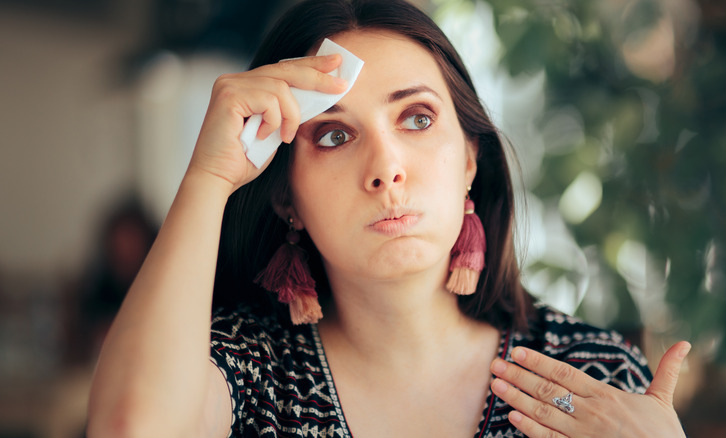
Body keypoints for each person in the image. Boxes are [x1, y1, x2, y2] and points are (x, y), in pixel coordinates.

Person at [87, 0, 691, 436]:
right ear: (286, 199)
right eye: (333, 135)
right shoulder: (244, 372)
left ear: (469, 161)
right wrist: (209, 178)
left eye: (418, 119)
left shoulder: (596, 377)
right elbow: (130, 426)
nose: (386, 169)